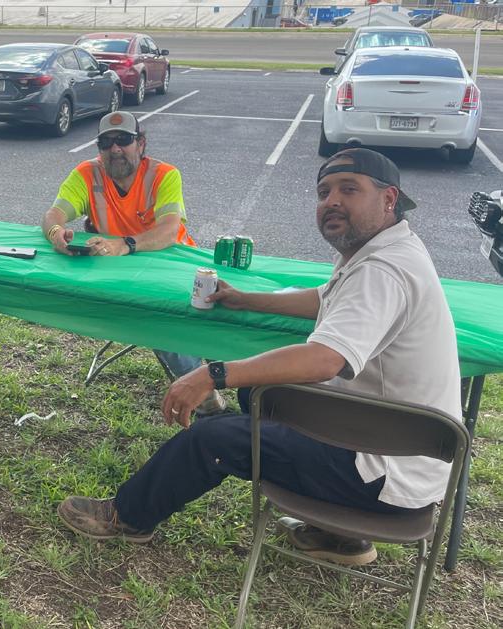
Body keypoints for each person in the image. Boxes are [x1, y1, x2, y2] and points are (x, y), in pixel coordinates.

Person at [57, 148, 461, 567]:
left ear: (389, 198)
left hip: (377, 474)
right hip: (392, 449)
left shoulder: (382, 271)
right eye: (324, 192)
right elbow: (325, 298)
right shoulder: (388, 251)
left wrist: (212, 374)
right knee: (254, 395)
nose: (332, 202)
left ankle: (126, 516)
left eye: (349, 190)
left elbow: (325, 359)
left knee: (210, 439)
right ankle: (339, 537)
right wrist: (245, 299)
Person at [41, 110, 224, 415]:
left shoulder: (164, 174)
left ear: (141, 143)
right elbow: (53, 215)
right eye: (106, 142)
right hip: (121, 274)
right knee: (154, 319)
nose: (115, 149)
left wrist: (124, 244)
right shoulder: (87, 174)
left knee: (189, 318)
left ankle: (223, 383)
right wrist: (56, 233)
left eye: (123, 140)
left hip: (174, 268)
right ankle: (206, 397)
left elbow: (169, 231)